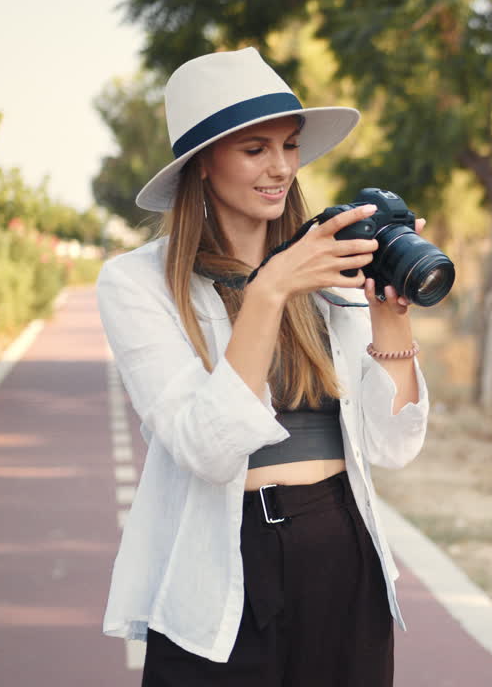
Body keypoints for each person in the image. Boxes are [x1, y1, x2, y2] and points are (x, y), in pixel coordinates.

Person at [95, 47, 431, 686]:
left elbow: (393, 446)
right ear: (202, 164)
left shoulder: (328, 265)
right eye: (255, 149)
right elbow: (207, 449)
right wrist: (269, 292)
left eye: (290, 145)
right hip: (218, 563)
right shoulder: (136, 283)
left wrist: (390, 314)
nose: (280, 167)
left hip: (341, 547)